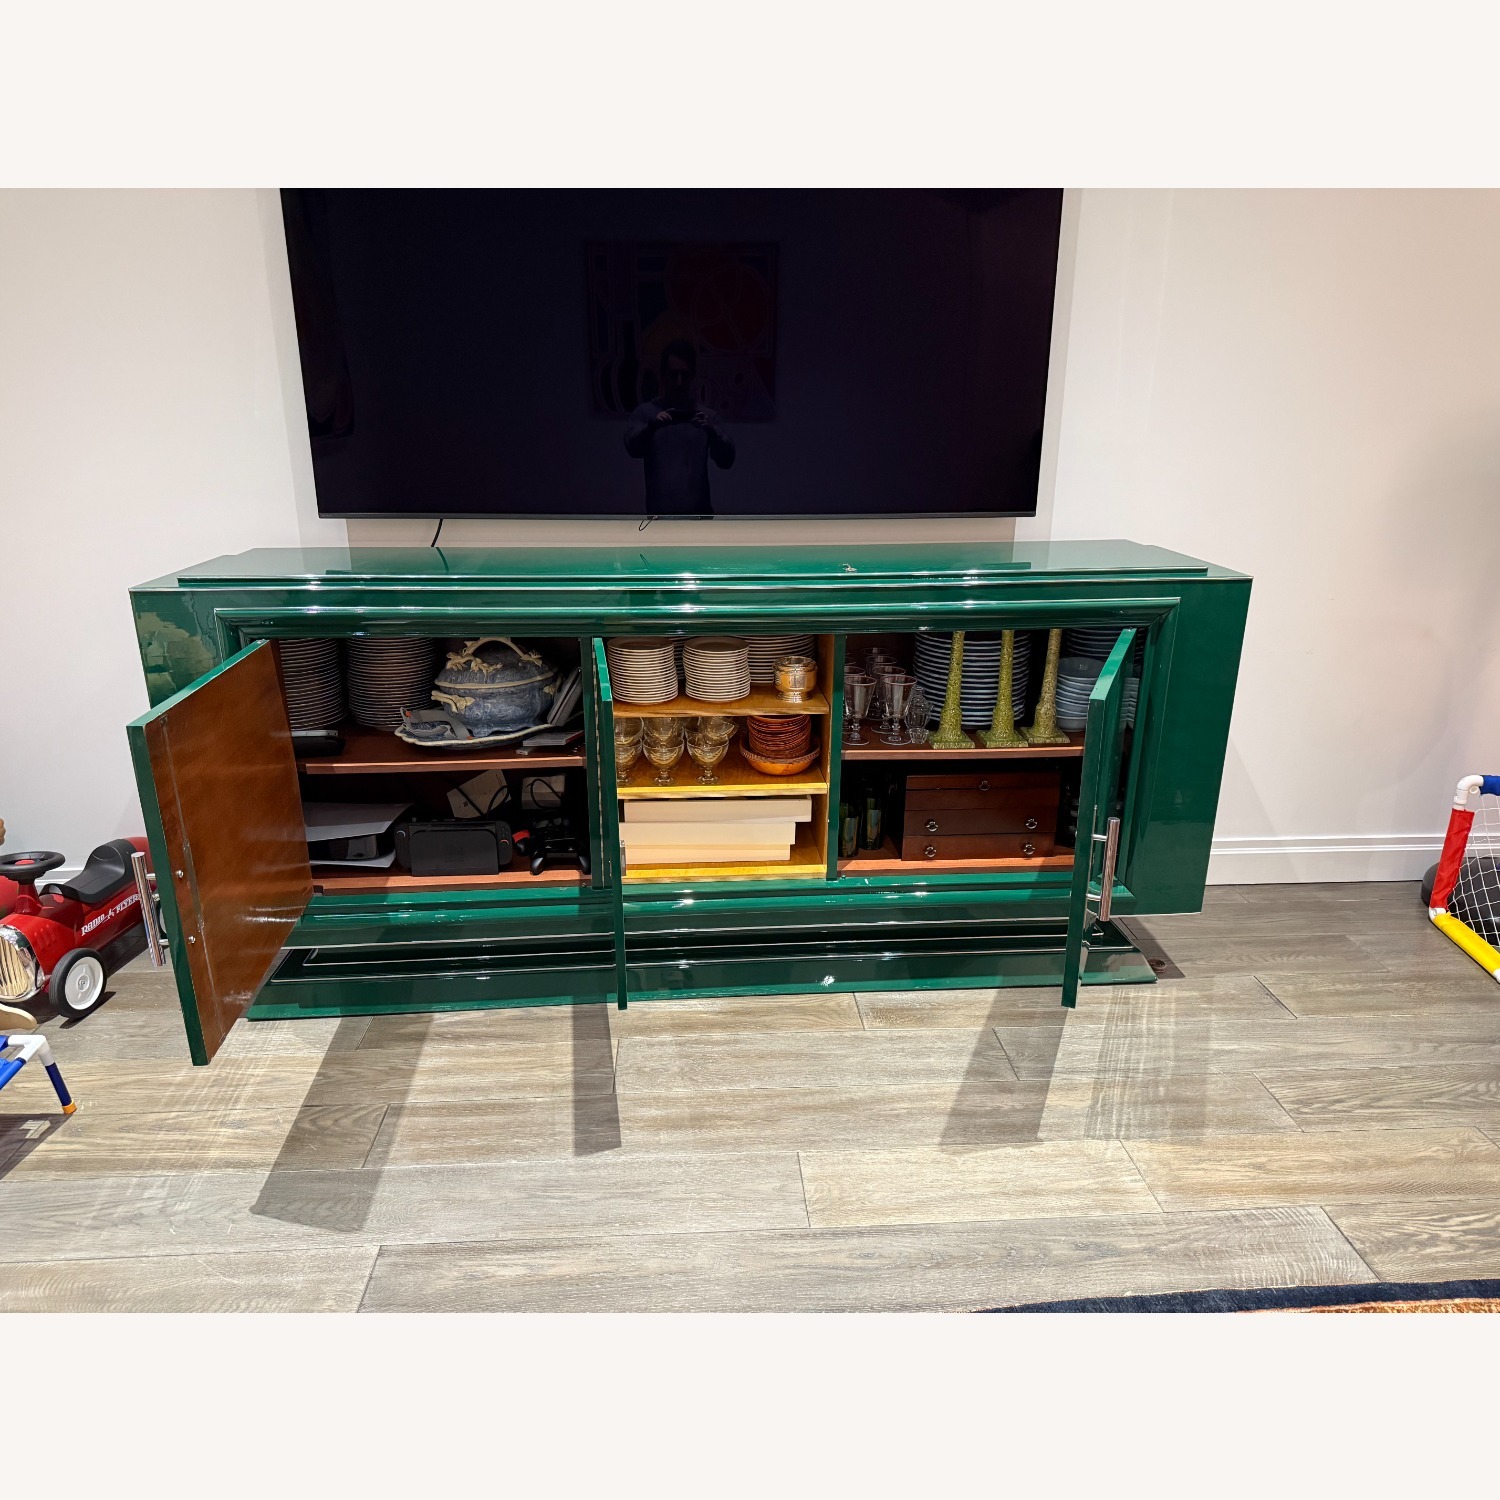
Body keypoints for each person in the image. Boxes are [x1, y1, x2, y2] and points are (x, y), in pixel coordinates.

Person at [623, 340, 735, 515]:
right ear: (663, 374)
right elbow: (632, 449)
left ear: (693, 375)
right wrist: (651, 427)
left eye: (685, 374)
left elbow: (727, 461)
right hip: (659, 519)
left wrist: (712, 432)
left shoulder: (707, 417)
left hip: (700, 517)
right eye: (673, 375)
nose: (679, 381)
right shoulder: (646, 413)